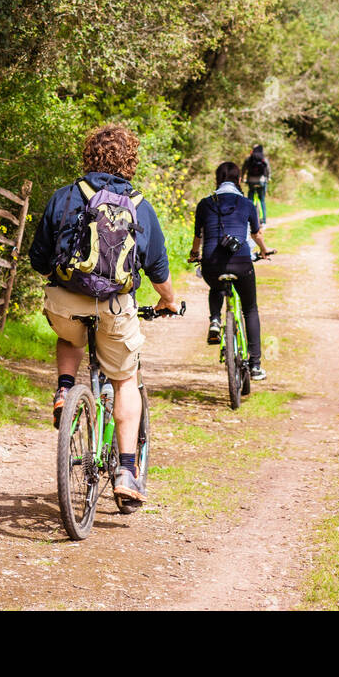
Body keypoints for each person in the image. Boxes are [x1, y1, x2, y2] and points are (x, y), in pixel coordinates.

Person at [29, 123, 179, 508]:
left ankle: (65, 389)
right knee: (125, 378)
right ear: (129, 160)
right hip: (114, 307)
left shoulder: (65, 196)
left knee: (68, 337)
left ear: (89, 155)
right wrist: (168, 301)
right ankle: (127, 471)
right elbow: (158, 269)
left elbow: (39, 257)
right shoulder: (140, 206)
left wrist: (63, 279)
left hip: (65, 302)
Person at [189, 161, 269, 381]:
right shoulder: (246, 204)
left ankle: (215, 320)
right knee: (250, 309)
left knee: (216, 285)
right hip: (241, 262)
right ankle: (255, 365)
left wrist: (195, 254)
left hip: (212, 264)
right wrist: (264, 251)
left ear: (216, 180)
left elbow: (198, 237)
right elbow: (256, 235)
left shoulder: (205, 204)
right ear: (239, 180)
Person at [241, 143, 270, 225]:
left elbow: (243, 169)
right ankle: (263, 221)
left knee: (250, 200)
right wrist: (268, 178)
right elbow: (268, 170)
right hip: (262, 181)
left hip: (251, 181)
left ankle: (249, 219)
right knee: (262, 200)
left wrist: (243, 178)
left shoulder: (249, 159)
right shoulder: (264, 158)